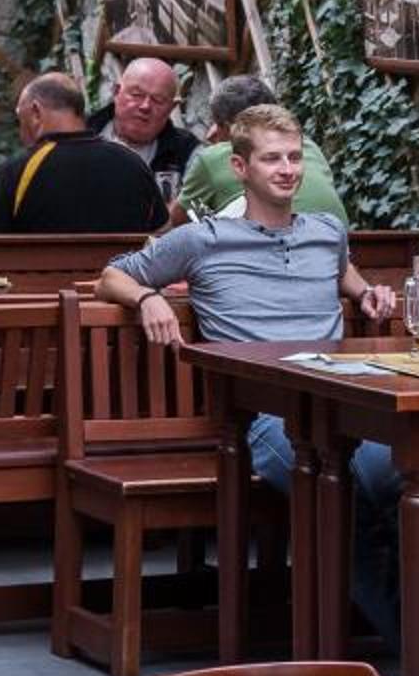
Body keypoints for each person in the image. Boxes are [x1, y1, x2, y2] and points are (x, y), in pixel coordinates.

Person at [97, 105, 403, 632]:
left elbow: (340, 267)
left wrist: (365, 292)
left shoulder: (326, 231)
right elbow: (111, 276)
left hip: (346, 404)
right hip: (265, 418)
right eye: (272, 159)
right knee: (343, 490)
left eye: (294, 158)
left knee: (399, 482)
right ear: (240, 167)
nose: (287, 169)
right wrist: (147, 297)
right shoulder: (203, 239)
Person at [0, 72, 165, 237]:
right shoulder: (133, 163)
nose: (21, 132)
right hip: (122, 267)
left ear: (36, 112)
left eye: (20, 119)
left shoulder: (19, 171)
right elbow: (162, 233)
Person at [177, 74, 346, 222]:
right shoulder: (308, 145)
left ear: (229, 128)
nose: (210, 133)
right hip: (343, 243)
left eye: (217, 123)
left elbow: (173, 223)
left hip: (278, 244)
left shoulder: (214, 158)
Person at [88, 57, 197, 199]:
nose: (145, 106)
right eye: (137, 95)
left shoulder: (187, 152)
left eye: (158, 100)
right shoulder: (82, 134)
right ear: (116, 92)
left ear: (172, 107)